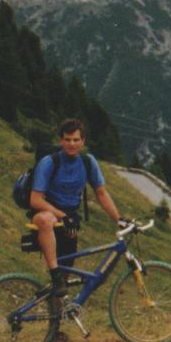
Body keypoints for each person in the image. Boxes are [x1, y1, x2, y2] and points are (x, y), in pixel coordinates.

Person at [29, 118, 123, 295]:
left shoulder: (88, 162)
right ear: (61, 140)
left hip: (70, 221)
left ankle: (55, 318)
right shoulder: (49, 162)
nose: (71, 144)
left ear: (83, 141)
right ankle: (54, 274)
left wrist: (119, 220)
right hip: (46, 214)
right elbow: (35, 200)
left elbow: (101, 194)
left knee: (63, 284)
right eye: (67, 139)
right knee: (46, 219)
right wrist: (62, 215)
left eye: (76, 140)